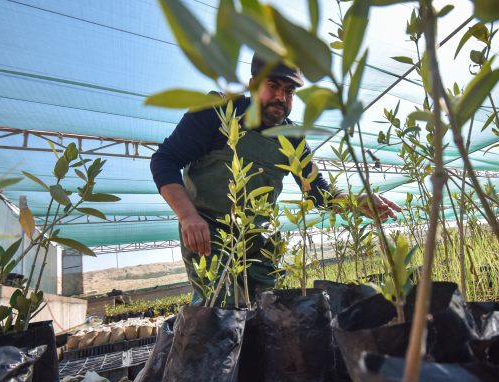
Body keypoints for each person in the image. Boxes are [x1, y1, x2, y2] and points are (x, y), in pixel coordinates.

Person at [151, 53, 400, 306]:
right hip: (211, 234)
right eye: (273, 87)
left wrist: (357, 201)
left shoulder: (292, 138)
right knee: (218, 311)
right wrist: (188, 216)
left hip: (260, 240)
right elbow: (164, 160)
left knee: (267, 311)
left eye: (289, 91)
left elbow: (318, 191)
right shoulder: (218, 112)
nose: (281, 98)